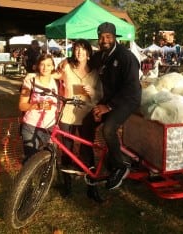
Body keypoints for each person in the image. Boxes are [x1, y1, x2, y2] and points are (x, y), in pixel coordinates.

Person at [81, 22, 142, 190]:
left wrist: (107, 107)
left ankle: (121, 167)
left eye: (108, 37)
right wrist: (67, 63)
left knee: (108, 128)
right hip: (110, 99)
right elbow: (84, 63)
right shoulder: (101, 56)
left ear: (115, 38)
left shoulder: (126, 57)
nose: (104, 40)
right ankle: (90, 165)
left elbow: (132, 87)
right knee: (87, 123)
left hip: (128, 99)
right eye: (101, 37)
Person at [55, 39, 103, 201]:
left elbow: (100, 95)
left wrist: (92, 92)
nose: (79, 53)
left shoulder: (95, 73)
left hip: (86, 116)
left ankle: (92, 188)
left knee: (87, 151)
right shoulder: (67, 67)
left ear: (89, 54)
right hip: (67, 114)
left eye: (83, 50)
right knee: (66, 150)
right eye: (76, 49)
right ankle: (67, 186)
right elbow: (53, 75)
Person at [19, 54, 59, 164]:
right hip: (30, 126)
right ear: (37, 66)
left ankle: (46, 180)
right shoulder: (29, 82)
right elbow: (22, 105)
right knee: (30, 160)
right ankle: (28, 181)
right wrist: (37, 105)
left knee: (51, 157)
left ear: (52, 67)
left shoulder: (57, 82)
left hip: (49, 127)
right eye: (42, 64)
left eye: (48, 65)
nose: (45, 68)